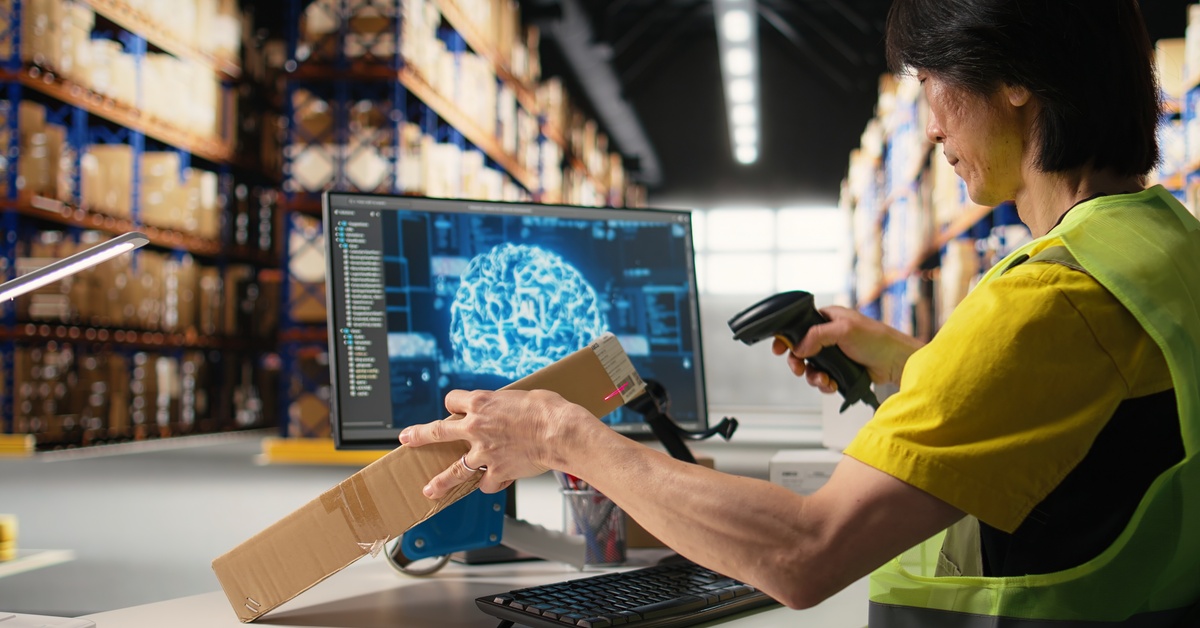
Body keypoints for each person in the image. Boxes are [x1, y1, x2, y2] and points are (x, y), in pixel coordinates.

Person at [399, 0, 1200, 624]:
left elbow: (804, 553)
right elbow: (1093, 429)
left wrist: (561, 433)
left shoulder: (1048, 297)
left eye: (930, 86)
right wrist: (913, 362)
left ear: (1016, 76)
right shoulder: (1161, 247)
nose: (929, 128)